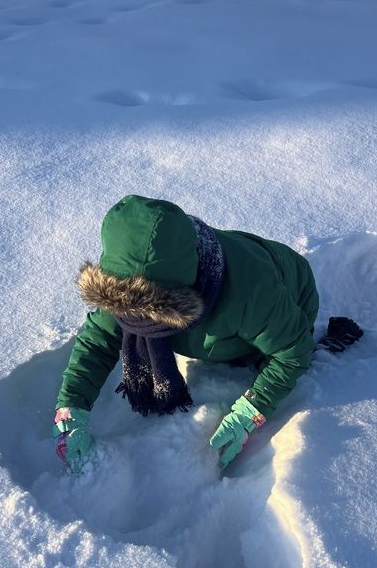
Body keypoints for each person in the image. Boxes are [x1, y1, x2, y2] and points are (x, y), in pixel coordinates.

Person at [53, 195, 359, 474]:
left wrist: (251, 411)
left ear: (181, 291)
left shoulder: (250, 294)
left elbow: (293, 351)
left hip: (291, 294)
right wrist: (72, 409)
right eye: (126, 310)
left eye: (150, 312)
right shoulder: (124, 289)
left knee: (259, 357)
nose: (134, 320)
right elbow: (98, 340)